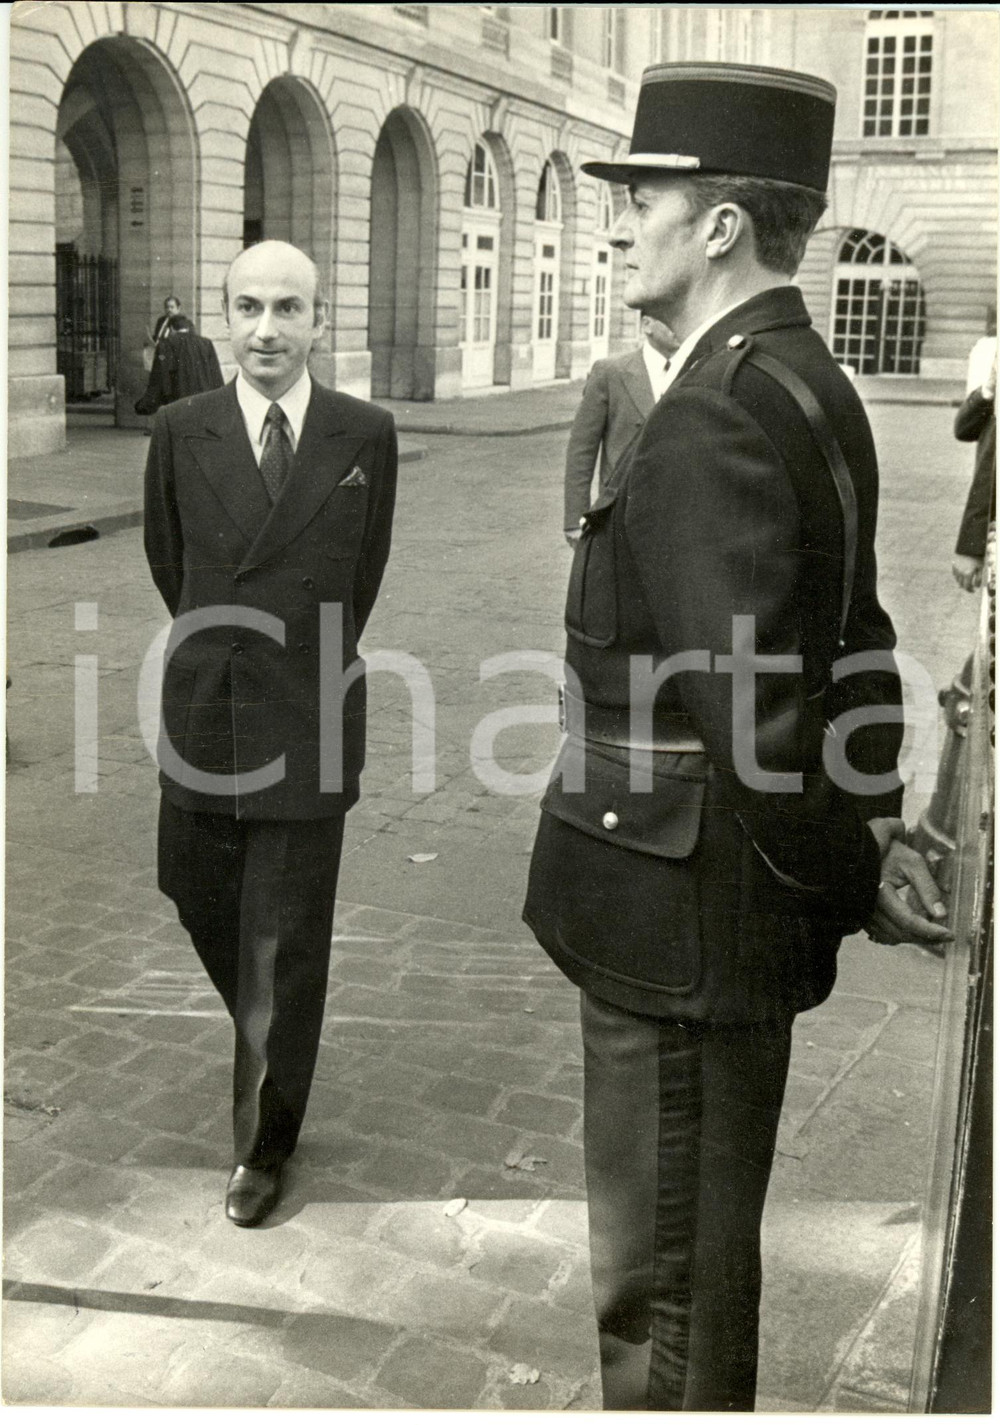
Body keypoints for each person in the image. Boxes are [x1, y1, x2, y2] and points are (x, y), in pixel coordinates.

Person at [522, 63, 951, 1411]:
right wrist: (872, 814)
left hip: (678, 931)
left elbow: (758, 721)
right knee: (697, 1273)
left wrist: (855, 872)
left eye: (641, 198)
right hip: (707, 923)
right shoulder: (804, 378)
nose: (621, 224)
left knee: (664, 1300)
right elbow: (860, 638)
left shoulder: (710, 407)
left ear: (716, 225)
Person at [144, 240, 397, 1227]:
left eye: (289, 308)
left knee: (284, 945)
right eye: (248, 307)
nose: (266, 329)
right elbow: (171, 564)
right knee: (197, 894)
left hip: (309, 711)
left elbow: (360, 578)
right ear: (222, 318)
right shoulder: (181, 429)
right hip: (205, 710)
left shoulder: (363, 434)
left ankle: (263, 1141)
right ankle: (272, 1032)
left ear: (319, 321)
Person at [563, 315, 678, 544]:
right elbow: (582, 450)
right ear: (647, 325)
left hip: (676, 516)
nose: (678, 328)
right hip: (619, 512)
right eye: (670, 319)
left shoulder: (694, 370)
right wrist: (575, 520)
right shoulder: (610, 372)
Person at [951, 336, 996, 593]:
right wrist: (987, 390)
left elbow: (992, 461)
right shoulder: (989, 349)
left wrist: (971, 544)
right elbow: (964, 429)